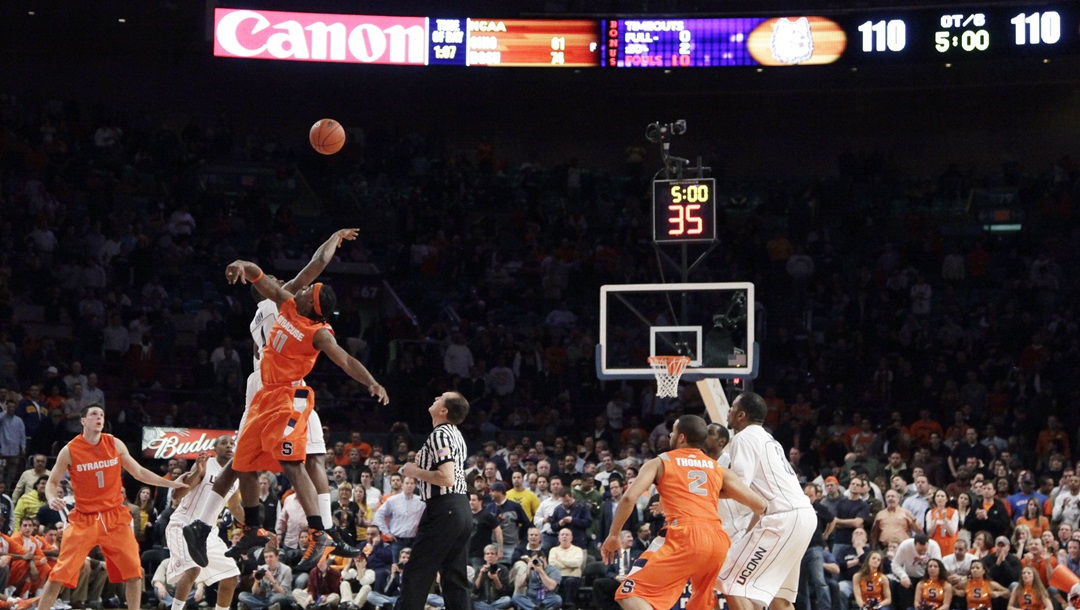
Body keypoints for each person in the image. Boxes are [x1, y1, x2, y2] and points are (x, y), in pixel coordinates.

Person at [186, 256, 388, 574]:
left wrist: (334, 241)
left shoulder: (281, 308)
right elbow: (310, 268)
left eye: (297, 286)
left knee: (298, 459)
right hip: (271, 390)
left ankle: (319, 530)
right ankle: (299, 528)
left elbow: (310, 270)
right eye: (286, 283)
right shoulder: (280, 304)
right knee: (256, 461)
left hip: (286, 392)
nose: (292, 284)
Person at [600, 414, 767, 610]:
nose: (671, 434)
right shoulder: (718, 468)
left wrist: (613, 535)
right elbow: (760, 505)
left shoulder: (660, 462)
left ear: (681, 438)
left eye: (673, 431)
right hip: (718, 541)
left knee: (629, 593)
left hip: (683, 536)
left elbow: (628, 498)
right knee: (699, 605)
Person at [33, 404, 188, 610]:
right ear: (83, 421)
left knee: (134, 571)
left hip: (114, 517)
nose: (99, 418)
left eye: (102, 415)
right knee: (58, 574)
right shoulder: (69, 450)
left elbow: (139, 472)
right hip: (84, 518)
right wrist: (51, 497)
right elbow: (52, 483)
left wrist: (170, 483)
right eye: (94, 414)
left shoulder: (114, 443)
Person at [718, 392, 816, 610]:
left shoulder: (743, 438)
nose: (729, 411)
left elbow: (739, 487)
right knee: (779, 600)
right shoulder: (769, 439)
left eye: (732, 407)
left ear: (741, 414)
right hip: (803, 518)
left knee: (730, 581)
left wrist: (706, 493)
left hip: (783, 518)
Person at [394, 392, 471, 610]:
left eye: (441, 397)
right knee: (454, 577)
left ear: (444, 410)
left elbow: (446, 478)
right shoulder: (456, 434)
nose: (436, 397)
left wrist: (414, 471)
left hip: (444, 508)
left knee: (416, 573)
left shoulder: (440, 434)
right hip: (461, 508)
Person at [164, 435, 242, 610]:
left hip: (207, 533)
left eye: (232, 443)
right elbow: (177, 497)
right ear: (215, 449)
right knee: (193, 569)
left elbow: (236, 508)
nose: (229, 446)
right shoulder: (205, 465)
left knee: (231, 576)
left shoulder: (235, 476)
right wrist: (197, 473)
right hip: (183, 525)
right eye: (224, 443)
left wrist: (257, 528)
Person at [474, 544, 512, 610]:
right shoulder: (479, 569)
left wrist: (496, 579)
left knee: (507, 600)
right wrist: (480, 574)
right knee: (473, 602)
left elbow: (505, 592)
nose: (490, 556)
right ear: (484, 557)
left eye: (492, 554)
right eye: (487, 554)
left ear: (496, 556)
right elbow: (474, 590)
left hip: (498, 600)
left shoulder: (503, 569)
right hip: (483, 601)